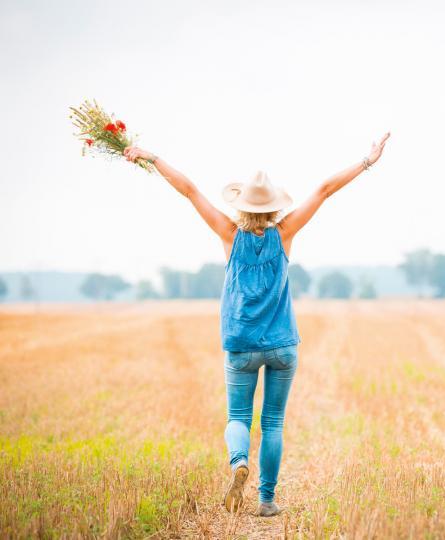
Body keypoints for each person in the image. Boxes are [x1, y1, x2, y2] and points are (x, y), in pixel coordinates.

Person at [123, 132, 390, 517]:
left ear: (242, 205)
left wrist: (151, 157)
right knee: (274, 422)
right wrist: (367, 161)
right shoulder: (285, 233)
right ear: (274, 208)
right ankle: (266, 500)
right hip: (282, 343)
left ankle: (238, 463)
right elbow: (326, 189)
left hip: (240, 342)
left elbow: (189, 190)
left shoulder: (229, 234)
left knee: (238, 417)